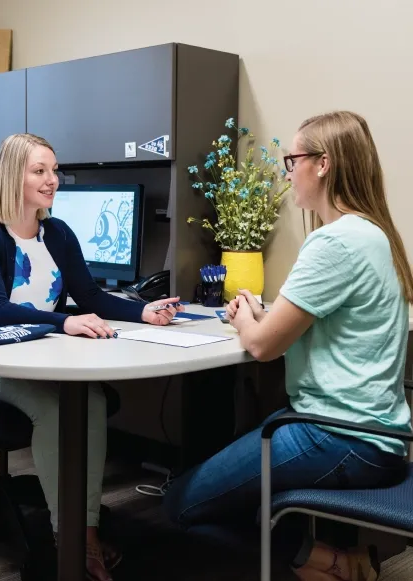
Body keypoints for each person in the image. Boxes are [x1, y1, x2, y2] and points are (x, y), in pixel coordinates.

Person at [163, 111, 413, 581]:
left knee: (179, 504)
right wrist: (264, 320)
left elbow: (261, 348)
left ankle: (329, 562)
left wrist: (243, 319)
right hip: (380, 434)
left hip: (339, 435)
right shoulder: (374, 235)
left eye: (291, 159)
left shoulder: (334, 244)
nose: (286, 171)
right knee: (224, 481)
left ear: (323, 164)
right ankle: (327, 557)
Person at [0, 133, 184, 581]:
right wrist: (65, 323)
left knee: (90, 400)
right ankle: (67, 542)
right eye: (39, 171)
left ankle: (86, 531)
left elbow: (90, 294)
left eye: (53, 170)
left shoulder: (55, 231)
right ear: (12, 176)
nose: (52, 180)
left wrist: (144, 311)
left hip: (40, 353)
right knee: (54, 408)